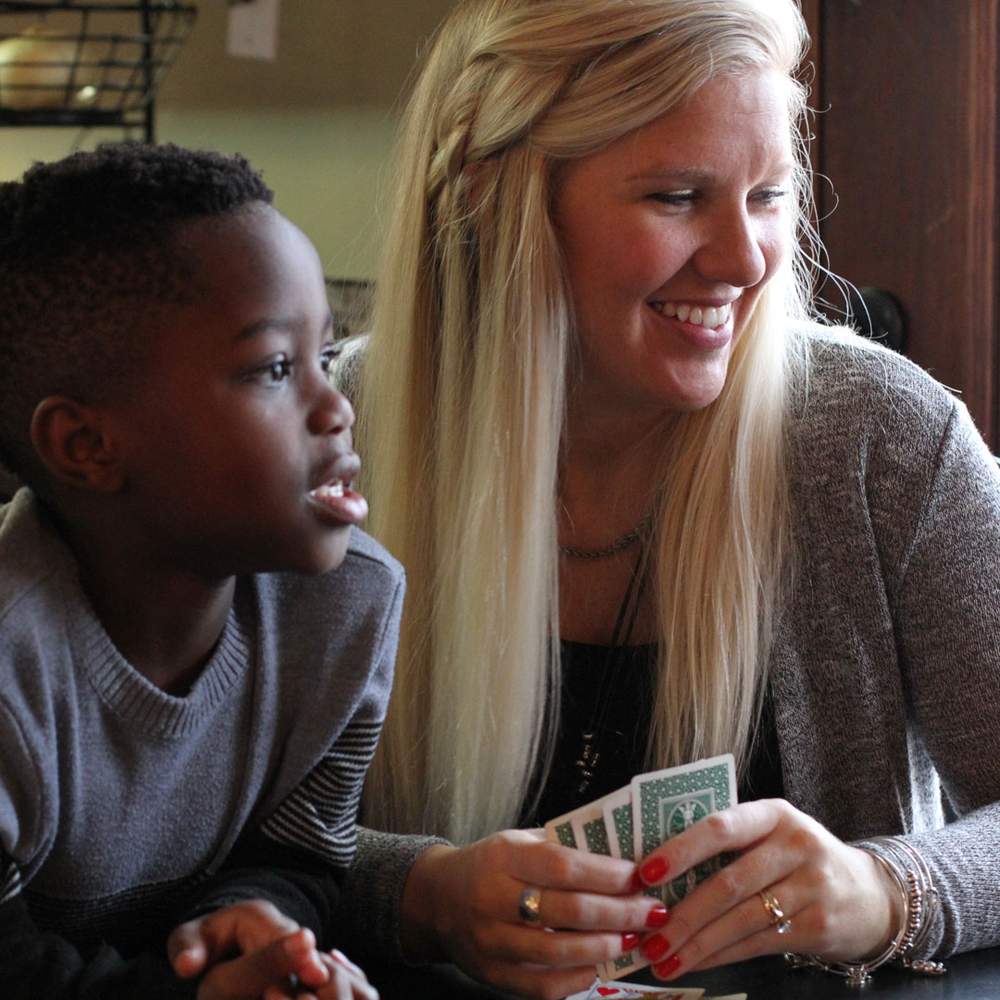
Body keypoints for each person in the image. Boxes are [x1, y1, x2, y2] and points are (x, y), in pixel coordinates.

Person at [334, 0, 1000, 997]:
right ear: (486, 198)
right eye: (679, 195)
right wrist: (416, 892)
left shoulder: (882, 440)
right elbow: (206, 841)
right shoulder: (339, 429)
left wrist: (888, 889)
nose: (743, 261)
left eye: (768, 195)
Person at [0, 143, 403, 999]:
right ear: (88, 446)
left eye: (325, 358)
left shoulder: (349, 605)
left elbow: (301, 853)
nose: (337, 408)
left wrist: (255, 921)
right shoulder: (11, 665)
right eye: (274, 369)